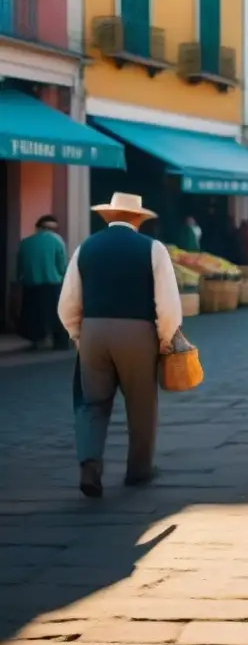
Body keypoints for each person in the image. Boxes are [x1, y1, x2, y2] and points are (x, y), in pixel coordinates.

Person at [58, 193, 182, 498]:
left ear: (109, 217)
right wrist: (166, 339)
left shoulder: (85, 248)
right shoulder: (153, 249)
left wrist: (78, 335)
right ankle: (138, 471)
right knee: (141, 405)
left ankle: (90, 465)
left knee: (92, 403)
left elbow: (68, 302)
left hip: (93, 332)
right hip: (137, 332)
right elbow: (167, 304)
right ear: (138, 219)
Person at [16, 215, 69, 350]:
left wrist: (19, 280)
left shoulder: (25, 242)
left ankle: (36, 339)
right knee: (55, 315)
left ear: (38, 227)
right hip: (52, 283)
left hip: (30, 284)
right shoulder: (57, 241)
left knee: (33, 314)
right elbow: (62, 264)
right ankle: (59, 342)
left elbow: (20, 265)